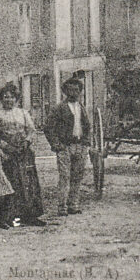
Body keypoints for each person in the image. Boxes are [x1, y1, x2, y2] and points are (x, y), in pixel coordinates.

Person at [0, 83, 46, 226]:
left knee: (28, 183)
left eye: (11, 97)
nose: (8, 100)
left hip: (23, 152)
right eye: (5, 97)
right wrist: (6, 146)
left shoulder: (22, 113)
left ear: (16, 99)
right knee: (10, 182)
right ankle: (10, 217)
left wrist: (26, 143)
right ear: (1, 99)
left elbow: (31, 130)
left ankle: (30, 215)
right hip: (7, 153)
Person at [44, 78, 90, 217]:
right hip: (65, 147)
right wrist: (56, 144)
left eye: (76, 90)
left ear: (80, 92)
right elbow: (48, 128)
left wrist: (86, 142)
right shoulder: (59, 108)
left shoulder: (81, 107)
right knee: (65, 177)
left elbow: (87, 126)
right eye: (70, 90)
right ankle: (62, 206)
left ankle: (73, 204)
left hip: (79, 145)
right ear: (65, 91)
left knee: (77, 176)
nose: (73, 93)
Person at [110, 55, 140, 122]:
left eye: (131, 61)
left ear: (135, 62)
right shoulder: (121, 74)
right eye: (127, 61)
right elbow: (114, 85)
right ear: (125, 63)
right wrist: (121, 89)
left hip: (136, 99)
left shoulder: (139, 75)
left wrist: (139, 98)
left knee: (138, 112)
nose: (129, 63)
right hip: (125, 98)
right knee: (123, 108)